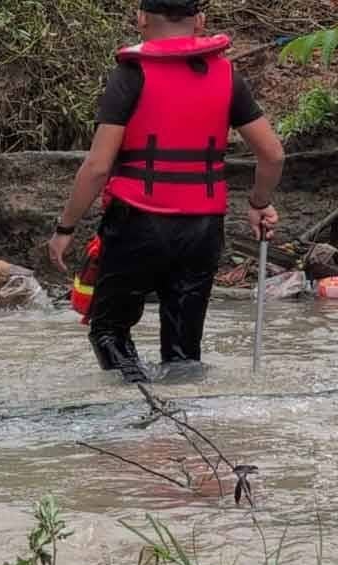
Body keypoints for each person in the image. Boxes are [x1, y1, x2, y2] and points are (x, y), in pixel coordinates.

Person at [48, 0, 285, 382]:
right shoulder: (226, 75)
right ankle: (181, 410)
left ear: (141, 18)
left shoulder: (130, 75)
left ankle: (136, 403)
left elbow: (97, 167)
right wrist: (260, 202)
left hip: (137, 222)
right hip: (203, 227)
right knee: (183, 350)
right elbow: (272, 154)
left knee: (109, 332)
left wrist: (65, 228)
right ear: (200, 21)